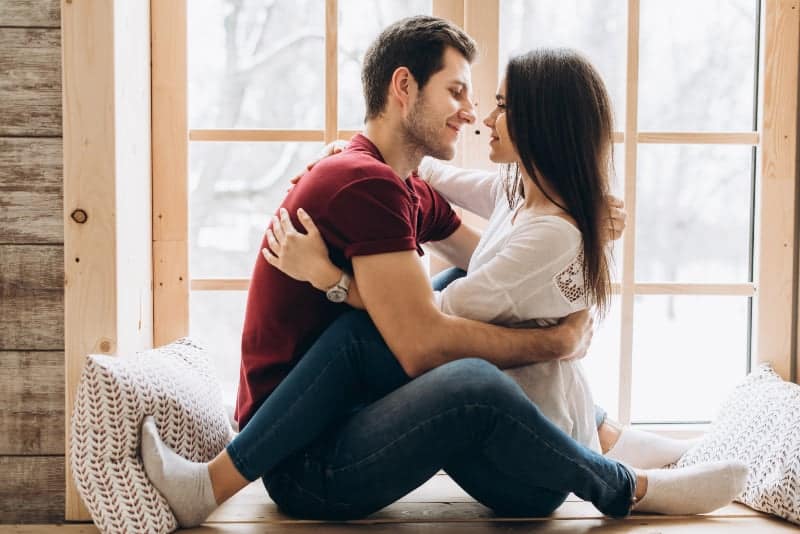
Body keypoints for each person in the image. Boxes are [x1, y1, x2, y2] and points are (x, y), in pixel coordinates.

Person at [140, 17, 747, 528]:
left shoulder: (395, 183)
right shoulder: (368, 181)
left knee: (441, 300)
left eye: (486, 100)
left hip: (341, 425)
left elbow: (501, 267)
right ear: (404, 88)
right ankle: (622, 483)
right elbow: (429, 337)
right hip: (308, 460)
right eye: (457, 92)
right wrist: (555, 338)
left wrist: (579, 229)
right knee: (462, 370)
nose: (474, 113)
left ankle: (604, 436)